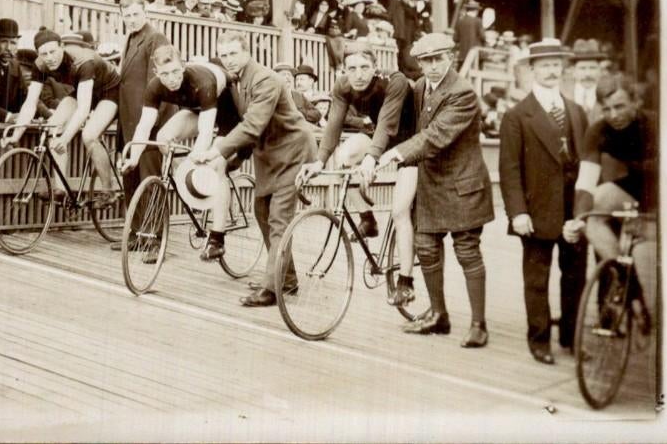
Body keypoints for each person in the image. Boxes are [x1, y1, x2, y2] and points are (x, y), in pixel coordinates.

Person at [377, 32, 494, 347]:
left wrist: (397, 153)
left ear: (451, 58)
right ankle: (438, 315)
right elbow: (401, 122)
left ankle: (478, 324)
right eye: (425, 60)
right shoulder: (418, 89)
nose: (431, 66)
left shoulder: (463, 92)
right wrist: (374, 148)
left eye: (437, 59)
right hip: (432, 184)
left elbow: (436, 135)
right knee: (426, 248)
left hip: (462, 187)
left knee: (467, 251)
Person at [191, 31, 318, 307]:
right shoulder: (235, 82)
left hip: (293, 152)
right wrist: (237, 158)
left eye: (233, 53)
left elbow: (252, 125)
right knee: (262, 212)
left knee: (278, 219)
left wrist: (217, 151)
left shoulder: (265, 79)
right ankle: (287, 279)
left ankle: (271, 289)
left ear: (247, 52)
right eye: (224, 55)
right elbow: (250, 126)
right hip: (269, 155)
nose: (229, 60)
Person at [297, 42, 419, 304]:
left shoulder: (394, 81)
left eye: (365, 67)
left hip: (409, 142)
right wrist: (319, 161)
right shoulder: (342, 85)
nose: (359, 74)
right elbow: (333, 126)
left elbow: (387, 121)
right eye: (352, 68)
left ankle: (406, 282)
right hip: (379, 136)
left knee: (400, 211)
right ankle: (367, 219)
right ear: (343, 70)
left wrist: (371, 159)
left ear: (375, 68)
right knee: (345, 156)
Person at [499, 40, 589, 364]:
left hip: (573, 208)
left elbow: (587, 162)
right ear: (532, 69)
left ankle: (570, 337)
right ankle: (539, 339)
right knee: (537, 278)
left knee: (575, 275)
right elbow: (509, 170)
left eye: (556, 65)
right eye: (545, 65)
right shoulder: (517, 116)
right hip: (536, 211)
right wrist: (517, 213)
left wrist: (584, 210)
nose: (552, 71)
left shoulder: (577, 111)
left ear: (562, 68)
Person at [124, 47, 240, 262]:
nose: (172, 79)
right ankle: (188, 185)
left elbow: (206, 132)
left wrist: (198, 161)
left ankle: (217, 238)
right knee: (163, 137)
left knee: (216, 165)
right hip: (198, 110)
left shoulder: (202, 80)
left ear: (184, 66)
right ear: (156, 73)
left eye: (176, 72)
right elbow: (144, 125)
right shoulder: (155, 86)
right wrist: (134, 157)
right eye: (165, 74)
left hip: (227, 116)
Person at [562, 74, 657, 315]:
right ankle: (627, 281)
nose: (614, 115)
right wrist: (577, 219)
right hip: (634, 188)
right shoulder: (598, 131)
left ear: (635, 101)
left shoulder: (655, 123)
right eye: (606, 109)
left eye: (620, 106)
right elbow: (586, 180)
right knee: (593, 206)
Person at [2, 28, 123, 206]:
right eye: (44, 54)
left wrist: (65, 139)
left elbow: (83, 109)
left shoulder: (82, 61)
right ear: (38, 54)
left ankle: (108, 191)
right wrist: (16, 135)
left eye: (53, 51)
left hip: (109, 91)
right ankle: (61, 190)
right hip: (82, 90)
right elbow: (30, 102)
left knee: (89, 135)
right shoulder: (39, 65)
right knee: (53, 127)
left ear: (62, 47)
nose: (50, 57)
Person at [111, 0, 176, 250]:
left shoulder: (156, 38)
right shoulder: (129, 38)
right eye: (126, 16)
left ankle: (154, 239)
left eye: (136, 14)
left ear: (145, 12)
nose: (131, 20)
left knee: (150, 179)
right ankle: (137, 233)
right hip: (129, 119)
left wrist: (153, 124)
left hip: (150, 121)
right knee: (131, 178)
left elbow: (159, 82)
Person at [0, 18, 28, 123]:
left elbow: (27, 97)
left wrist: (49, 114)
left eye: (13, 43)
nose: (8, 48)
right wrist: (7, 116)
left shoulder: (14, 66)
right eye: (3, 42)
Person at [563, 39, 607, 123]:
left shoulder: (607, 95)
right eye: (582, 68)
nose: (587, 74)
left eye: (592, 68)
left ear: (600, 71)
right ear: (573, 71)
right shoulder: (562, 96)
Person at [454, 0, 487, 66]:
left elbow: (455, 39)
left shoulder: (460, 21)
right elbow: (483, 37)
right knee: (476, 74)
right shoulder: (478, 21)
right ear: (476, 11)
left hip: (463, 55)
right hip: (475, 55)